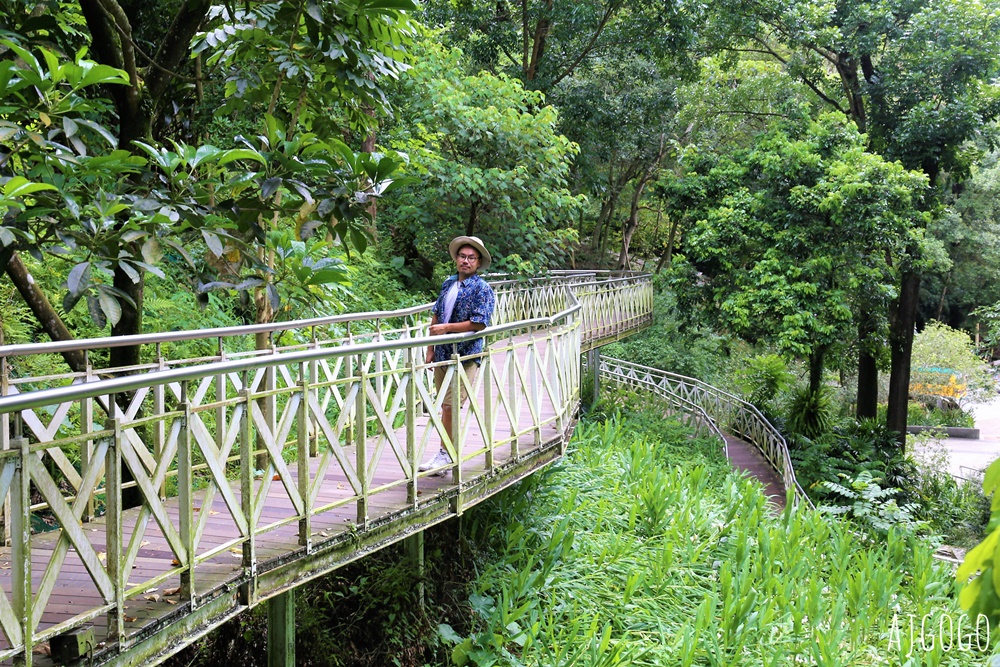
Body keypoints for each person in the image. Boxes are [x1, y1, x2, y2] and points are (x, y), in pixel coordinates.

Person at [419, 236, 497, 474]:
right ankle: (446, 454)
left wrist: (447, 329)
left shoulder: (482, 289)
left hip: (465, 355)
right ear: (456, 259)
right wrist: (430, 348)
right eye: (462, 256)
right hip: (443, 352)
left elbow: (479, 323)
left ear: (478, 262)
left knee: (452, 405)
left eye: (471, 258)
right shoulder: (448, 284)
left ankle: (446, 455)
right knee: (445, 405)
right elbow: (436, 314)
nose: (465, 261)